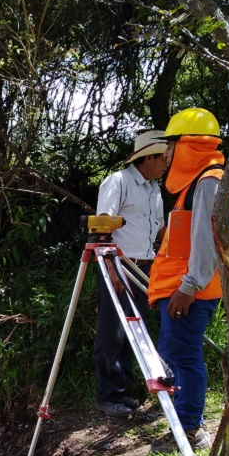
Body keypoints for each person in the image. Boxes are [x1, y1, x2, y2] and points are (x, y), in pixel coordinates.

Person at [146, 108, 229, 452]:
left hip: (191, 292)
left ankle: (189, 428)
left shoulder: (209, 182)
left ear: (186, 144)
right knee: (175, 352)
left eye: (170, 145)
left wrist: (188, 287)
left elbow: (208, 243)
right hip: (185, 289)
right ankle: (183, 420)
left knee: (184, 356)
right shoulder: (201, 182)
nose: (166, 153)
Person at [93, 130, 169, 417]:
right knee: (112, 330)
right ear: (147, 157)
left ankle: (123, 390)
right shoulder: (119, 181)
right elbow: (101, 227)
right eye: (162, 157)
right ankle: (107, 394)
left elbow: (158, 229)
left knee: (134, 330)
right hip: (117, 263)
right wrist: (111, 269)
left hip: (145, 265)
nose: (166, 163)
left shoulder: (153, 189)